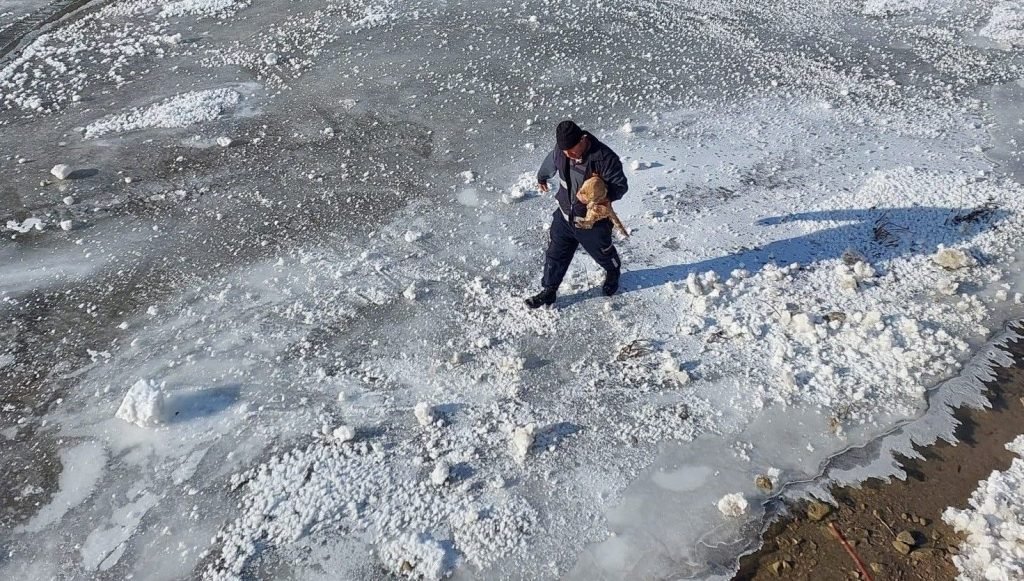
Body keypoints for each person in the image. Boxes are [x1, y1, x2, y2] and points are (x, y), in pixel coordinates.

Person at [525, 120, 628, 308]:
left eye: (572, 150)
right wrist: (542, 176)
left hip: (591, 223)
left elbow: (621, 186)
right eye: (565, 151)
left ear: (583, 139)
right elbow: (551, 160)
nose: (569, 155)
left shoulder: (604, 158)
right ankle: (549, 290)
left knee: (603, 253)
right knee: (555, 255)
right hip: (565, 216)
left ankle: (613, 271)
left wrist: (600, 197)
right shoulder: (562, 151)